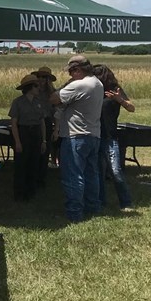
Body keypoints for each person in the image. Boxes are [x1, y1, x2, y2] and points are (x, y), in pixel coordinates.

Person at [49, 55, 104, 222]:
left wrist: (63, 88)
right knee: (91, 174)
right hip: (93, 134)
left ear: (78, 70)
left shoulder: (79, 85)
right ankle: (92, 207)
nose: (70, 76)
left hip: (75, 135)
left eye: (72, 72)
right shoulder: (97, 83)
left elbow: (53, 99)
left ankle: (74, 213)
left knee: (73, 175)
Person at [94, 64, 136, 212]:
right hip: (95, 136)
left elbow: (131, 108)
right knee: (98, 172)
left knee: (116, 171)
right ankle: (100, 202)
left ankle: (126, 202)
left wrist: (120, 100)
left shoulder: (115, 89)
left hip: (110, 137)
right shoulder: (93, 90)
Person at [9, 73, 46, 201]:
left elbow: (42, 122)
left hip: (36, 132)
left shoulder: (39, 102)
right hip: (23, 132)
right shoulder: (18, 102)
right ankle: (19, 193)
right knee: (21, 164)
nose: (39, 88)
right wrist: (17, 141)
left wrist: (44, 140)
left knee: (34, 162)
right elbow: (14, 123)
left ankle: (31, 192)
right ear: (30, 88)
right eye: (36, 86)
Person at [35, 66, 59, 176]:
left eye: (44, 77)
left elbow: (56, 113)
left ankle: (42, 175)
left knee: (45, 150)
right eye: (39, 76)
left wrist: (56, 129)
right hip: (33, 123)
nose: (41, 79)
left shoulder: (53, 93)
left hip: (48, 122)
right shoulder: (32, 91)